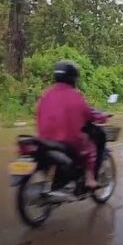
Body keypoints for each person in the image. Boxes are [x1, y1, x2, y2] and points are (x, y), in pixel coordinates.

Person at [35, 60, 99, 190]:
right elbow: (88, 115)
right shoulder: (75, 96)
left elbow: (38, 114)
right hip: (67, 141)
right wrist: (99, 117)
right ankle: (89, 179)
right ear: (73, 78)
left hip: (45, 139)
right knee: (90, 148)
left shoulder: (46, 94)